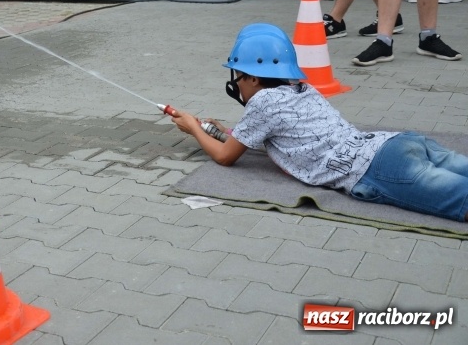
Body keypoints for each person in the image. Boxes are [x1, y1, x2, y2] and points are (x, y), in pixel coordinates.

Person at [167, 23, 468, 222]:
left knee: (461, 199)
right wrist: (226, 132)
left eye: (238, 76)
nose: (237, 84)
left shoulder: (262, 101)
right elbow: (279, 132)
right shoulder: (301, 88)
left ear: (254, 77)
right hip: (395, 142)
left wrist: (193, 127)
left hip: (377, 168)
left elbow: (225, 156)